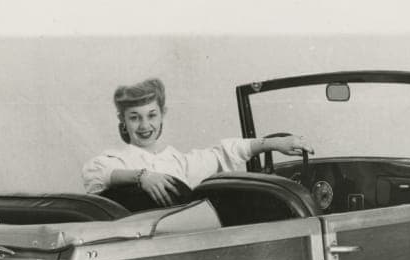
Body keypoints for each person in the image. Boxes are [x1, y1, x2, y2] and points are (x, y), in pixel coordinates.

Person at [81, 77, 314, 206]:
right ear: (123, 120)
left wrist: (273, 144)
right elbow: (97, 174)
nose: (144, 125)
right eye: (134, 117)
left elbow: (223, 153)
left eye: (151, 115)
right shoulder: (117, 159)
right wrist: (142, 177)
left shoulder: (178, 162)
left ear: (162, 114)